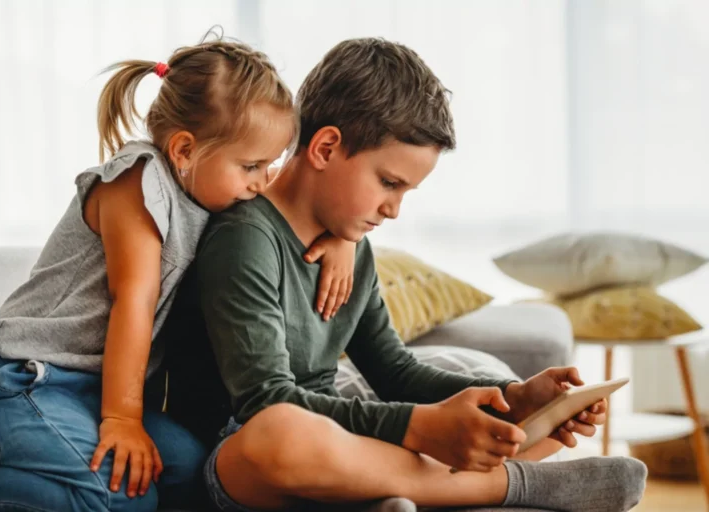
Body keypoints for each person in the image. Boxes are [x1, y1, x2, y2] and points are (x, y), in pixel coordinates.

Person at [163, 37, 648, 512]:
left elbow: (394, 371)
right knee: (281, 432)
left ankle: (393, 492)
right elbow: (263, 402)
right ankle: (512, 484)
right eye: (389, 183)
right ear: (326, 148)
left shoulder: (353, 247)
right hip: (240, 454)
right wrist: (418, 427)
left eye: (406, 191)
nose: (393, 209)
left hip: (338, 444)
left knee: (493, 424)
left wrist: (514, 398)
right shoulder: (244, 238)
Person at [0, 36, 355, 512]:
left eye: (269, 164)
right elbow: (133, 302)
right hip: (24, 379)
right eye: (252, 166)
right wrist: (122, 419)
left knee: (193, 475)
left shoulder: (215, 188)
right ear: (183, 150)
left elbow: (291, 208)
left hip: (94, 392)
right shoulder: (137, 182)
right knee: (118, 499)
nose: (263, 181)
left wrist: (346, 239)